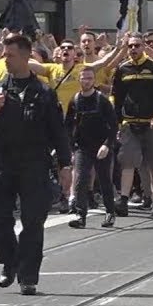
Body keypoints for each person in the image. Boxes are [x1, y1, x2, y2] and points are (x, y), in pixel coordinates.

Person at [0, 33, 71, 296]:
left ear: (27, 55)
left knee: (33, 222)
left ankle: (28, 276)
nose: (6, 60)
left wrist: (65, 165)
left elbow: (58, 131)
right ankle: (9, 262)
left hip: (34, 164)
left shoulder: (44, 92)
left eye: (11, 55)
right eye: (4, 55)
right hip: (3, 164)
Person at [112, 33, 153, 218]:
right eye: (130, 46)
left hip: (151, 124)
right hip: (130, 124)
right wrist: (119, 121)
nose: (133, 49)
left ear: (144, 47)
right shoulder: (122, 69)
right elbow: (116, 97)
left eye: (137, 45)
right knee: (127, 162)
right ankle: (123, 200)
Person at [65, 67, 117, 230]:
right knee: (80, 180)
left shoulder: (102, 100)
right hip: (82, 147)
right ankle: (81, 215)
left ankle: (110, 212)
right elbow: (68, 126)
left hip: (101, 146)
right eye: (83, 78)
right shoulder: (75, 100)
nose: (86, 81)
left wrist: (107, 145)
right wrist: (71, 148)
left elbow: (114, 126)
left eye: (89, 78)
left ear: (94, 80)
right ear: (79, 80)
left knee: (104, 179)